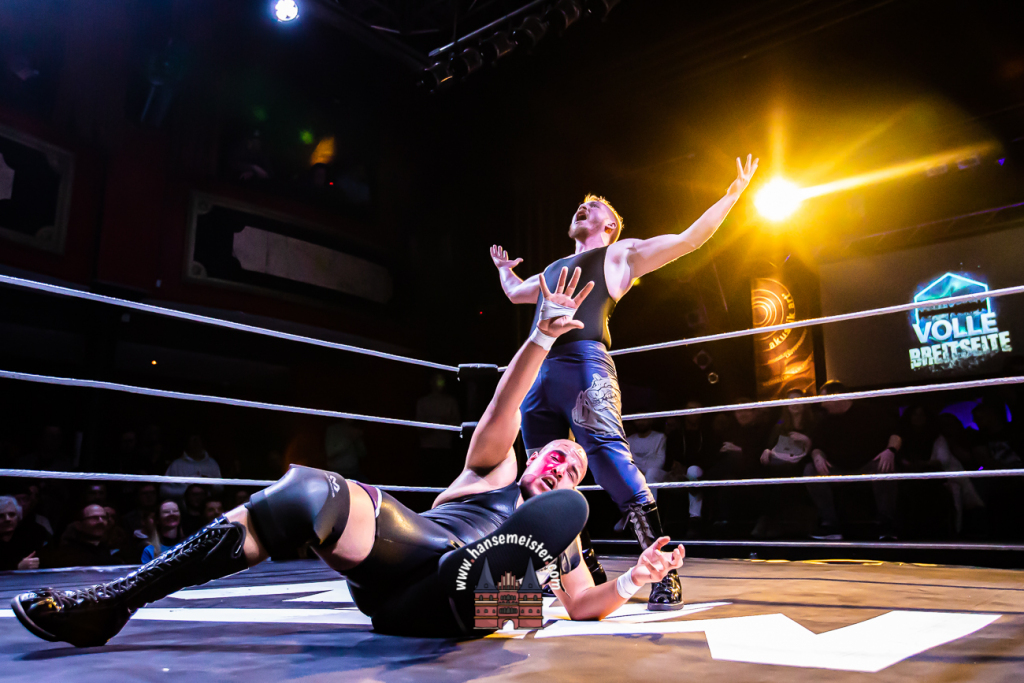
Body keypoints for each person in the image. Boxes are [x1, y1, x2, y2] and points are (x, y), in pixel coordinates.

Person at [13, 267, 684, 648]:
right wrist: (539, 337)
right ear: (532, 457)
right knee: (306, 490)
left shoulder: (562, 526)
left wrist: (635, 576)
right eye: (557, 457)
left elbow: (584, 604)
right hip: (409, 562)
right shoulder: (495, 468)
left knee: (562, 521)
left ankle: (478, 593)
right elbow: (503, 408)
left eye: (575, 468)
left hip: (450, 609)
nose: (563, 467)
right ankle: (117, 600)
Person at [490, 154, 758, 609]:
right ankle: (585, 571)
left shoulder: (620, 254)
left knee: (612, 464)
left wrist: (732, 195)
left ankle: (664, 570)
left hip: (584, 363)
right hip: (540, 371)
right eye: (581, 205)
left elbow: (689, 240)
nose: (583, 207)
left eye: (593, 206)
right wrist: (504, 270)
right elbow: (517, 294)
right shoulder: (553, 268)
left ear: (610, 225)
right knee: (542, 476)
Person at [803, 381, 902, 540]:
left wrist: (890, 451)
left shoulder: (870, 412)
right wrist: (817, 456)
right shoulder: (825, 420)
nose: (822, 404)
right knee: (810, 471)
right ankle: (830, 524)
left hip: (868, 464)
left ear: (836, 396)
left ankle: (887, 524)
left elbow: (895, 433)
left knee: (885, 466)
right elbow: (817, 445)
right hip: (838, 468)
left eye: (824, 399)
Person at [36, 503, 124, 569]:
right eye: (94, 518)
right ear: (78, 525)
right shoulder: (66, 554)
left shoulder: (109, 550)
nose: (101, 522)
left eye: (104, 518)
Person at [161, 435, 222, 499]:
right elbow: (164, 490)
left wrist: (211, 484)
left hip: (207, 503)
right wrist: (187, 489)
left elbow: (221, 488)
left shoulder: (212, 464)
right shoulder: (176, 465)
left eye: (198, 440)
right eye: (193, 440)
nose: (196, 443)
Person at [0, 496, 46, 571]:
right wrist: (17, 568)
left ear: (18, 516)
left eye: (12, 514)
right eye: (1, 516)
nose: (7, 519)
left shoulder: (32, 535)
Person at [626, 419, 668, 490]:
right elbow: (627, 461)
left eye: (644, 419)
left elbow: (660, 461)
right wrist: (637, 471)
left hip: (655, 472)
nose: (641, 422)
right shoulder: (629, 440)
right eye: (638, 420)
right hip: (635, 471)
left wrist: (644, 473)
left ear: (650, 420)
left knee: (651, 473)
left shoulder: (660, 437)